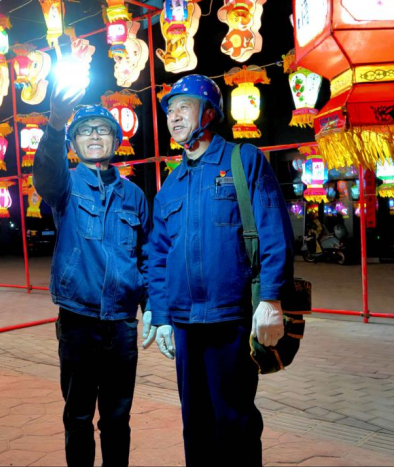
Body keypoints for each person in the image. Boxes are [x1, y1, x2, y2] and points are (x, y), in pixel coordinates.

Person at [144, 74, 294, 466]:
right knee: (195, 421)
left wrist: (271, 299)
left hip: (231, 318)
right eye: (170, 110)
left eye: (184, 107)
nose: (175, 117)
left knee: (235, 419)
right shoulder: (171, 185)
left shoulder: (243, 161)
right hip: (184, 324)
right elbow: (158, 255)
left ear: (209, 113)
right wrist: (160, 315)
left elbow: (273, 230)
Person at [33, 84, 152, 467]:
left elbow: (146, 255)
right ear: (73, 143)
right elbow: (45, 174)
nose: (95, 136)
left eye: (103, 130)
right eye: (85, 131)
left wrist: (152, 307)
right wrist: (55, 124)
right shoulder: (65, 186)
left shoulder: (133, 195)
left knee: (117, 417)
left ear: (116, 140)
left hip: (121, 324)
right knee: (78, 415)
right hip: (78, 321)